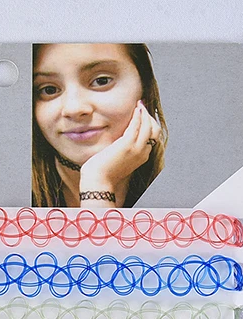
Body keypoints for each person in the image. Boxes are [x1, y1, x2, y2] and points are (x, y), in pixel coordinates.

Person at [32, 43, 167, 208]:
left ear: (145, 88)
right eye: (49, 90)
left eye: (101, 81)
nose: (74, 109)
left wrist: (97, 179)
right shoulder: (13, 192)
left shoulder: (185, 185)